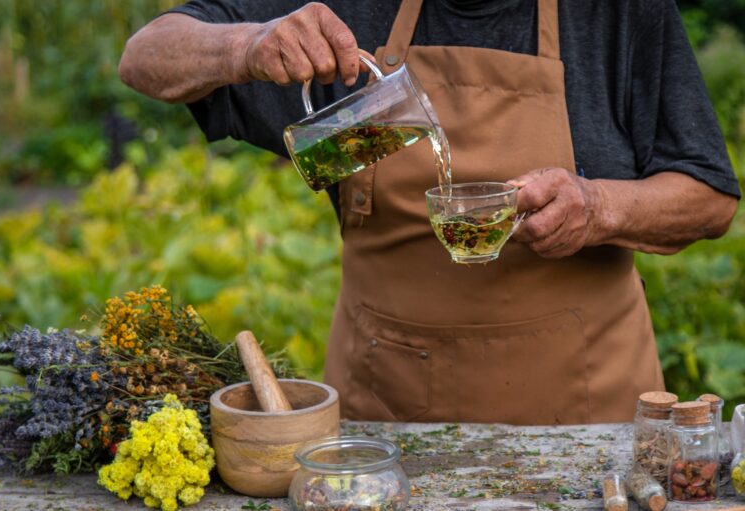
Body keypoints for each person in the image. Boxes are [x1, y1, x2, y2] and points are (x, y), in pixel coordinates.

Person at [119, 0, 740, 424]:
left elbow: (709, 197)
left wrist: (599, 206)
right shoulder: (344, 11)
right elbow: (145, 56)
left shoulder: (615, 12)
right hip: (385, 431)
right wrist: (246, 44)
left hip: (582, 424)